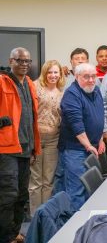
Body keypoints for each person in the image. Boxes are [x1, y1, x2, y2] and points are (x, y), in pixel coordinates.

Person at [0, 48, 41, 243]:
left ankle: (14, 232)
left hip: (26, 148)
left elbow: (32, 117)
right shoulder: (2, 82)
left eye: (27, 61)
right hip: (6, 149)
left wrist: (34, 148)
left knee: (22, 195)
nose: (24, 64)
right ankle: (5, 236)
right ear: (11, 61)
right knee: (8, 194)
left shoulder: (30, 84)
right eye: (20, 60)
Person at [56, 63, 105, 209]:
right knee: (76, 190)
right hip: (75, 150)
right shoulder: (71, 94)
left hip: (92, 147)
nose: (91, 80)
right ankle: (73, 226)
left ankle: (85, 223)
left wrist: (100, 139)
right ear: (76, 77)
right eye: (86, 77)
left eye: (93, 76)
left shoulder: (95, 90)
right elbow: (76, 124)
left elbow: (100, 116)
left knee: (88, 190)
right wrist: (88, 145)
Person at [28, 60, 65, 216]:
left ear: (60, 74)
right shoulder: (35, 88)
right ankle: (35, 215)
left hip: (53, 140)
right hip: (36, 139)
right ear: (44, 73)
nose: (53, 75)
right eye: (49, 72)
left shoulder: (62, 92)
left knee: (48, 180)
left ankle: (45, 214)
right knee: (36, 181)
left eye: (56, 72)